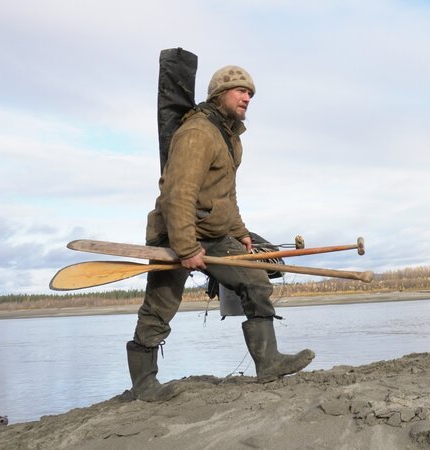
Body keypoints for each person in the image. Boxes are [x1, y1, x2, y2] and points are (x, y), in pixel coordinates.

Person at [126, 65, 315, 402]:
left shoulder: (227, 136)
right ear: (219, 94)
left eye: (251, 93)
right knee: (160, 306)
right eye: (241, 91)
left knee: (255, 281)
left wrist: (240, 231)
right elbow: (178, 194)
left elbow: (226, 194)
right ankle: (143, 384)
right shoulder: (197, 133)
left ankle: (268, 362)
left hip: (213, 234)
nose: (247, 97)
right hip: (174, 232)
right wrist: (185, 248)